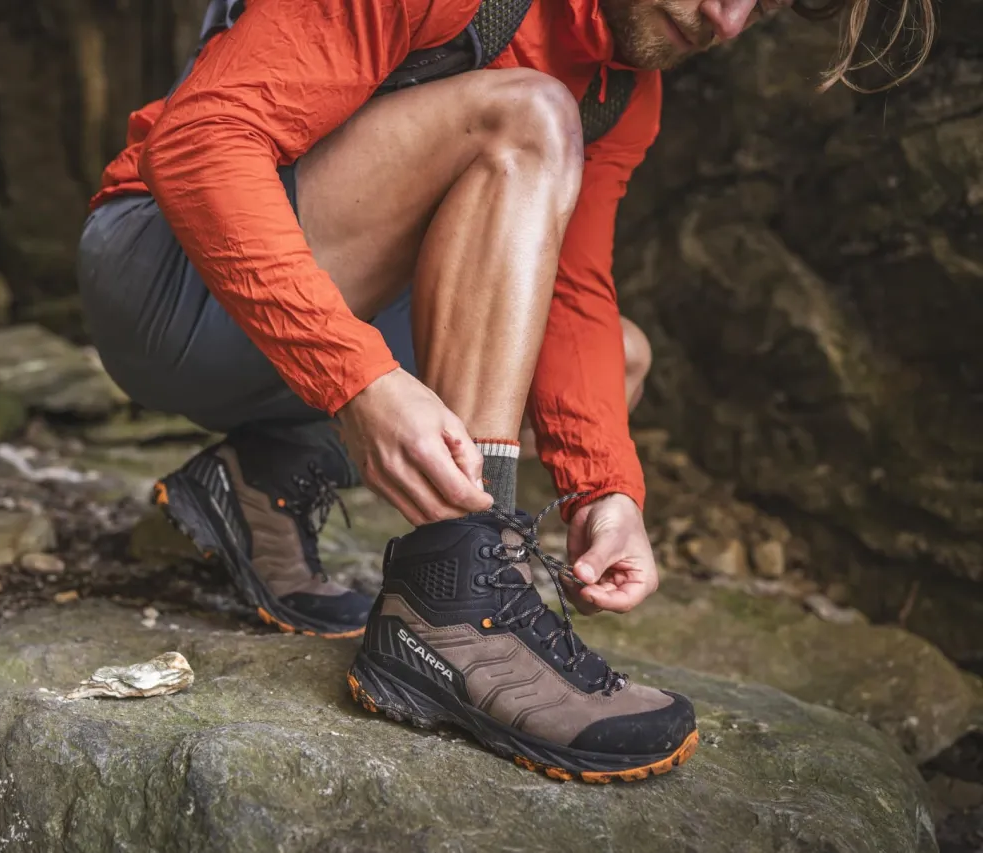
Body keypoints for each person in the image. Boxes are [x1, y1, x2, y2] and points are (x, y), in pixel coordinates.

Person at [78, 0, 933, 782]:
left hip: (289, 325)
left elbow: (569, 289)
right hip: (167, 279)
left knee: (618, 360)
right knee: (529, 116)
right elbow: (202, 142)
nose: (731, 20)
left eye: (767, 5)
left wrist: (606, 488)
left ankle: (265, 475)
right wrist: (354, 377)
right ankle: (452, 604)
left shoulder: (621, 91)